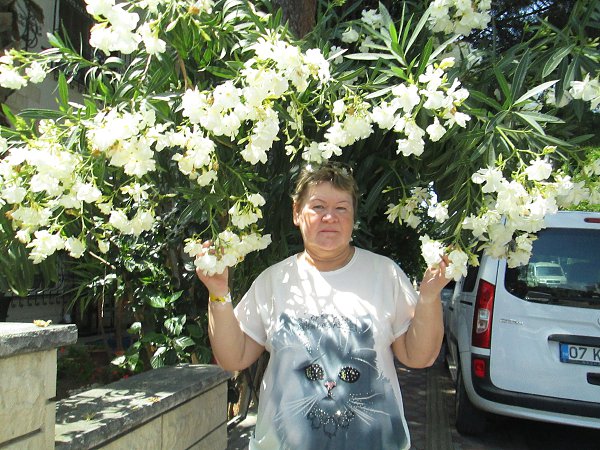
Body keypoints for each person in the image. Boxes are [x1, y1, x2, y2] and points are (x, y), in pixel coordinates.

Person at [196, 162, 450, 450]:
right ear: (296, 212)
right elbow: (234, 358)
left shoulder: (385, 274)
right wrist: (218, 293)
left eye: (341, 208)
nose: (330, 217)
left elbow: (419, 357)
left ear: (353, 217)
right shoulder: (274, 281)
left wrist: (429, 297)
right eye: (318, 207)